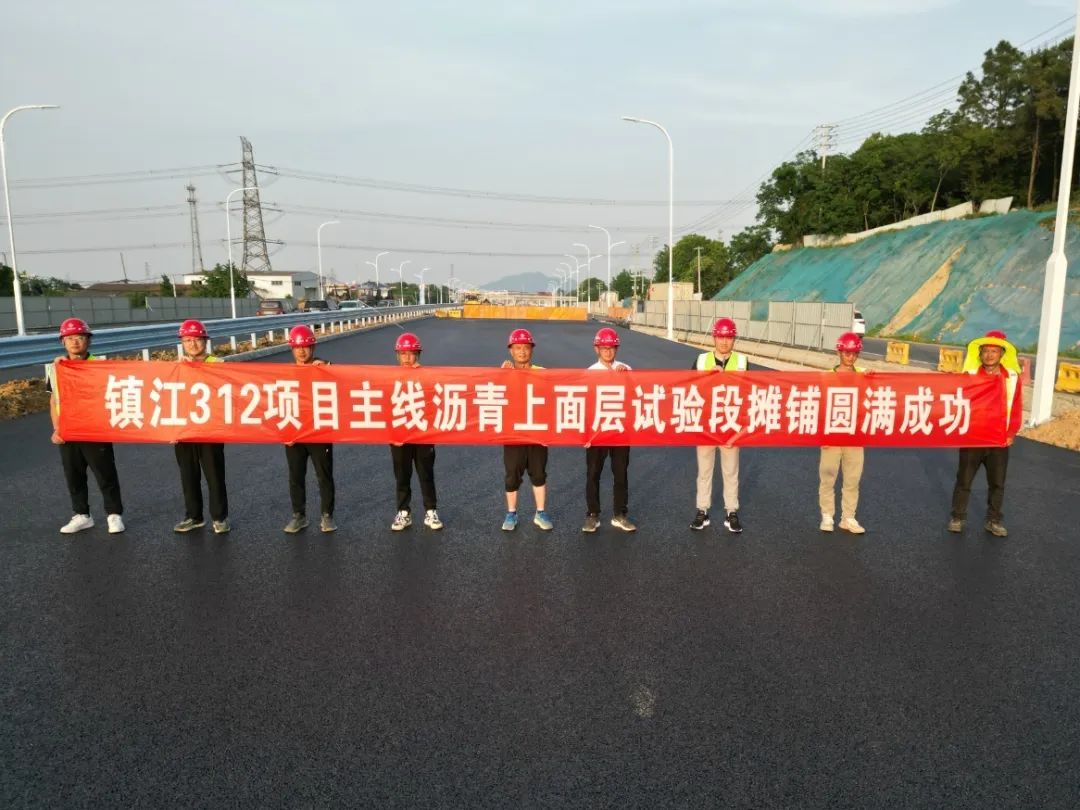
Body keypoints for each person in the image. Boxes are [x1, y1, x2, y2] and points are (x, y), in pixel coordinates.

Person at [46, 318, 125, 534]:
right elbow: (53, 401)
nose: (75, 342)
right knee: (74, 475)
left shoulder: (100, 366)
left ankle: (114, 514)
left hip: (95, 430)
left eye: (80, 337)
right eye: (70, 338)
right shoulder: (56, 368)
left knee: (105, 473)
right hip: (68, 431)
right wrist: (57, 428)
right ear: (63, 342)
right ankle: (82, 515)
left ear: (88, 340)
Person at [948, 330, 1022, 537]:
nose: (989, 355)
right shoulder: (970, 375)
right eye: (986, 351)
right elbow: (951, 394)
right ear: (980, 353)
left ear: (1001, 354)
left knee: (997, 483)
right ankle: (958, 517)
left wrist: (1011, 432)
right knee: (964, 480)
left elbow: (1016, 406)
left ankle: (994, 520)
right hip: (973, 437)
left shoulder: (1011, 378)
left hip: (999, 439)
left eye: (994, 351)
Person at [172, 319, 230, 534]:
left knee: (214, 476)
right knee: (188, 476)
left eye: (197, 339)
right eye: (188, 340)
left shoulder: (218, 364)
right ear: (182, 343)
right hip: (184, 430)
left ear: (205, 341)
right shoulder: (176, 368)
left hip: (210, 430)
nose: (193, 344)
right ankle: (194, 516)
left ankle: (220, 517)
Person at [691, 317, 749, 533]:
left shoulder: (742, 362)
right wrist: (709, 377)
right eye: (721, 337)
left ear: (734, 339)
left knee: (731, 471)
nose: (724, 341)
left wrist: (742, 428)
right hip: (706, 426)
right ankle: (702, 510)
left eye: (729, 337)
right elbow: (688, 389)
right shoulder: (701, 360)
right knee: (704, 471)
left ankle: (731, 512)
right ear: (714, 338)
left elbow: (749, 393)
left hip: (731, 426)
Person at [282, 325, 337, 534]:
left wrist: (329, 366)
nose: (301, 351)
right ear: (292, 349)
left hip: (319, 431)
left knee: (324, 475)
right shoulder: (286, 373)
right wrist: (283, 432)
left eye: (305, 346)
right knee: (296, 476)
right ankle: (299, 515)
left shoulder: (323, 367)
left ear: (313, 347)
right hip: (294, 431)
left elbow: (346, 381)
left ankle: (327, 515)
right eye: (297, 347)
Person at [583, 327, 635, 533]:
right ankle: (592, 514)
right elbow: (584, 404)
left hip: (620, 429)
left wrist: (627, 377)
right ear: (596, 349)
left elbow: (636, 396)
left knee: (621, 473)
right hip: (597, 430)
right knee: (593, 473)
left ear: (616, 348)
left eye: (612, 347)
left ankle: (620, 514)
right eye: (604, 348)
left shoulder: (626, 369)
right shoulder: (590, 372)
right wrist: (585, 434)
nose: (608, 351)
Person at [500, 327, 553, 532]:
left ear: (532, 350)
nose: (522, 351)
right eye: (518, 348)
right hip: (513, 433)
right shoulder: (504, 373)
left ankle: (540, 512)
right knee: (512, 475)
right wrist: (501, 375)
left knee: (538, 474)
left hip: (537, 432)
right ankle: (511, 513)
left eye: (526, 347)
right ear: (511, 350)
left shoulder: (542, 373)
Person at [389, 332, 442, 532]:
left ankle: (431, 511)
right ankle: (404, 512)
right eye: (403, 354)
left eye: (412, 353)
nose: (407, 358)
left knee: (426, 474)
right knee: (402, 476)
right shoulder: (388, 378)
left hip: (423, 435)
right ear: (398, 355)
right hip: (399, 436)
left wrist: (423, 376)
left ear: (418, 355)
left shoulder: (427, 376)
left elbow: (436, 401)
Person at [819, 332, 867, 534]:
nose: (851, 357)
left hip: (854, 436)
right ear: (839, 352)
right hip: (832, 435)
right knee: (828, 477)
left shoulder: (863, 375)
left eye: (854, 353)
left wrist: (876, 378)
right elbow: (820, 407)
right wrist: (822, 435)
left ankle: (848, 517)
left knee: (852, 479)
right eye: (847, 353)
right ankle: (827, 515)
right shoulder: (827, 377)